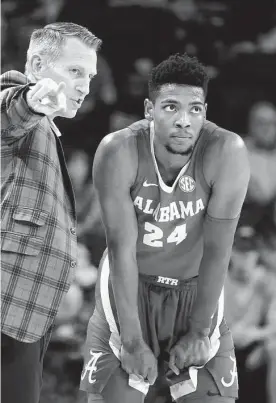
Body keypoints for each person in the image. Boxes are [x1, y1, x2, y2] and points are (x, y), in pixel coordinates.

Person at [80, 53, 250, 403]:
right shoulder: (118, 150)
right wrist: (131, 340)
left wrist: (201, 331)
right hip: (130, 291)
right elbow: (121, 249)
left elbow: (219, 250)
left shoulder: (226, 150)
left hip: (195, 293)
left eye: (195, 109)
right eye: (171, 107)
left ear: (205, 111)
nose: (184, 121)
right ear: (148, 109)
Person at [1, 22, 101, 403]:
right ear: (39, 64)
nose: (85, 85)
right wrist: (30, 100)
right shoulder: (19, 99)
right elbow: (8, 112)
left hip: (26, 315)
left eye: (89, 76)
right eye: (75, 71)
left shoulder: (46, 130)